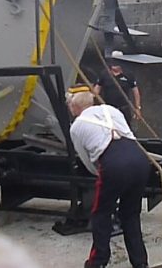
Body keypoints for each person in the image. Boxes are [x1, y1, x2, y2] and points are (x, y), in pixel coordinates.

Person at [65, 85, 150, 268]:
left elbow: (87, 161)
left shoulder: (76, 127)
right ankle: (140, 263)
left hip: (113, 164)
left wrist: (103, 175)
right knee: (130, 214)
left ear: (73, 107)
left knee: (101, 214)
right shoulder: (111, 109)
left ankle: (97, 262)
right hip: (140, 159)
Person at [93, 55, 141, 127]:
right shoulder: (104, 74)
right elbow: (97, 89)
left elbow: (135, 92)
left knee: (125, 127)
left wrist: (137, 108)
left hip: (123, 108)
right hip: (108, 108)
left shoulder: (128, 75)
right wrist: (93, 102)